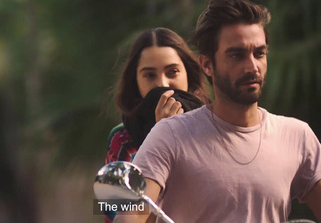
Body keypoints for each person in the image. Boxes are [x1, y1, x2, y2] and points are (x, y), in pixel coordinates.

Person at [114, 0, 321, 222]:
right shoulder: (162, 135)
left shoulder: (297, 136)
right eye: (236, 55)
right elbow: (125, 215)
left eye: (259, 53)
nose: (252, 67)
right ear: (206, 65)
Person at [104, 27, 209, 222]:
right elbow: (114, 213)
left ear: (189, 74)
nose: (163, 84)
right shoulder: (122, 139)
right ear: (135, 81)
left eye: (173, 72)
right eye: (150, 75)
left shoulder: (215, 130)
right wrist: (160, 137)